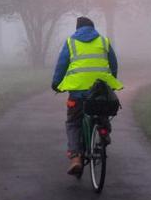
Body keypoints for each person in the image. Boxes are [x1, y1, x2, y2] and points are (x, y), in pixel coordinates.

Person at [51, 16, 123, 176]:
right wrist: (111, 81)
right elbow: (113, 64)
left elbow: (62, 64)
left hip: (77, 92)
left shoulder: (71, 42)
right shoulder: (103, 41)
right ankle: (104, 131)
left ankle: (76, 158)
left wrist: (56, 83)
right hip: (99, 90)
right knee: (101, 109)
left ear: (77, 29)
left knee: (73, 122)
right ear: (93, 28)